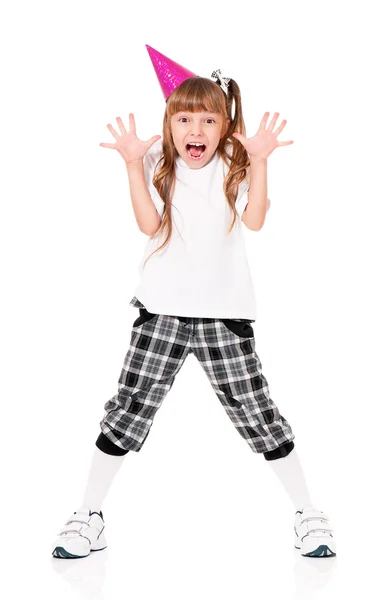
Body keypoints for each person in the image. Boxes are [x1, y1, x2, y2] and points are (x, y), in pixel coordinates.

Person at [51, 45, 336, 560]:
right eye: (185, 118)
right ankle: (88, 516)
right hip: (161, 309)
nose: (196, 130)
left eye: (208, 119)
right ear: (171, 122)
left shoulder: (236, 160)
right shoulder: (159, 159)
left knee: (257, 410)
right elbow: (149, 225)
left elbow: (254, 221)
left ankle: (308, 514)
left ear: (224, 125)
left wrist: (262, 160)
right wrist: (134, 166)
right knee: (128, 408)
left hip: (224, 315)